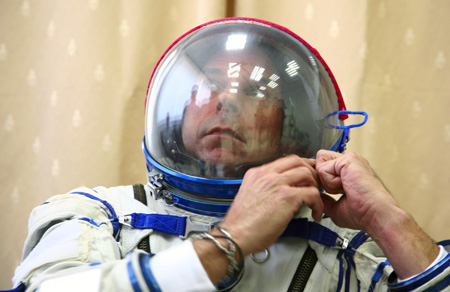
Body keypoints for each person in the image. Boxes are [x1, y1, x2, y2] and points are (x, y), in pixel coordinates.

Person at [8, 17, 450, 292]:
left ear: (288, 125)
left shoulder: (348, 251)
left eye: (254, 91)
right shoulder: (100, 216)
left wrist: (388, 220)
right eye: (206, 87)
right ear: (178, 116)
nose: (226, 101)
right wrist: (231, 241)